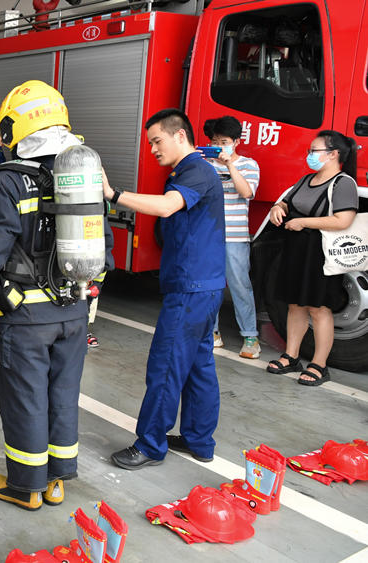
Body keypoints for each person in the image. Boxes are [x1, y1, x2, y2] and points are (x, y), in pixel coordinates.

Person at [0, 80, 113, 510]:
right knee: (63, 392)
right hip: (74, 309)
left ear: (17, 128)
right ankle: (57, 480)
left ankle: (25, 487)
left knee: (25, 397)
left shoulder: (8, 181)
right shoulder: (82, 174)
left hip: (25, 316)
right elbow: (106, 244)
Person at [103, 108, 225, 470]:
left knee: (167, 365)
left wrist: (114, 194)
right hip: (201, 285)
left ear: (180, 136)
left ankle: (151, 445)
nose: (153, 148)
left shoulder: (196, 171)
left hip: (191, 288)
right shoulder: (188, 170)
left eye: (157, 140)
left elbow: (168, 207)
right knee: (198, 365)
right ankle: (198, 440)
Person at [266, 130, 359, 386]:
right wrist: (278, 208)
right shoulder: (307, 179)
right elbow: (287, 202)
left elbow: (343, 220)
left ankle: (319, 364)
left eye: (314, 150)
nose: (309, 155)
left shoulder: (343, 183)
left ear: (333, 154)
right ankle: (291, 356)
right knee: (295, 304)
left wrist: (303, 222)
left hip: (320, 254)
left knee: (319, 309)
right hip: (296, 250)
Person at [203, 116, 261, 358]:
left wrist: (229, 166)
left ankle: (251, 337)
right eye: (215, 141)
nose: (219, 145)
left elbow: (247, 192)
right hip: (208, 235)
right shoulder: (205, 164)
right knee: (210, 286)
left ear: (236, 141)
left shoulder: (249, 164)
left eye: (224, 141)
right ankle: (213, 332)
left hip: (235, 237)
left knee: (240, 285)